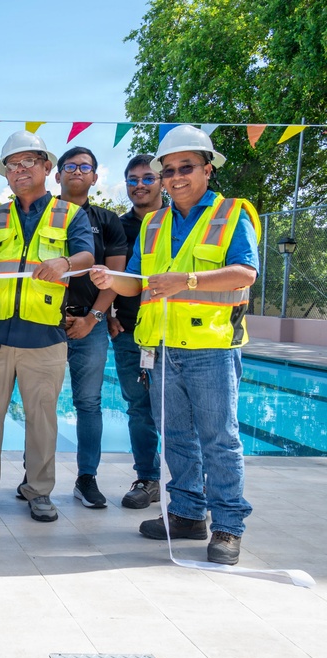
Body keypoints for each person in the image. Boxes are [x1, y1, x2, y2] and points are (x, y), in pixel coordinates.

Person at [90, 124, 260, 565]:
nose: (176, 177)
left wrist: (185, 280)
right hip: (163, 347)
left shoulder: (231, 214)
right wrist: (112, 281)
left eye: (186, 167)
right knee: (177, 437)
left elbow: (245, 274)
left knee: (220, 440)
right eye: (169, 170)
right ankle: (186, 514)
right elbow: (137, 285)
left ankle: (227, 526)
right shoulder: (153, 223)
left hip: (211, 348)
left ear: (207, 169)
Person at [0, 131, 94, 522]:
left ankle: (39, 491)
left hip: (45, 334)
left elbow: (86, 254)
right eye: (12, 165)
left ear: (47, 168)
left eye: (27, 162)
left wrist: (66, 263)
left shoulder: (70, 215)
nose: (19, 171)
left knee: (42, 418)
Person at [54, 147, 127, 509]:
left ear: (95, 178)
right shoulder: (42, 215)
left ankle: (87, 477)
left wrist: (93, 318)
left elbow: (113, 276)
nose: (77, 172)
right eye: (70, 166)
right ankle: (32, 475)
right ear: (58, 176)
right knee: (39, 403)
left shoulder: (107, 221)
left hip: (91, 321)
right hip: (45, 321)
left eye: (85, 167)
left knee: (89, 402)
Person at [111, 155, 163, 509]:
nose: (140, 185)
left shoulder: (180, 222)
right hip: (129, 332)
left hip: (172, 334)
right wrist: (108, 314)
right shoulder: (119, 226)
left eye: (148, 178)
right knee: (138, 408)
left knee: (179, 411)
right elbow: (109, 275)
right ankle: (148, 478)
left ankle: (192, 486)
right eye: (133, 180)